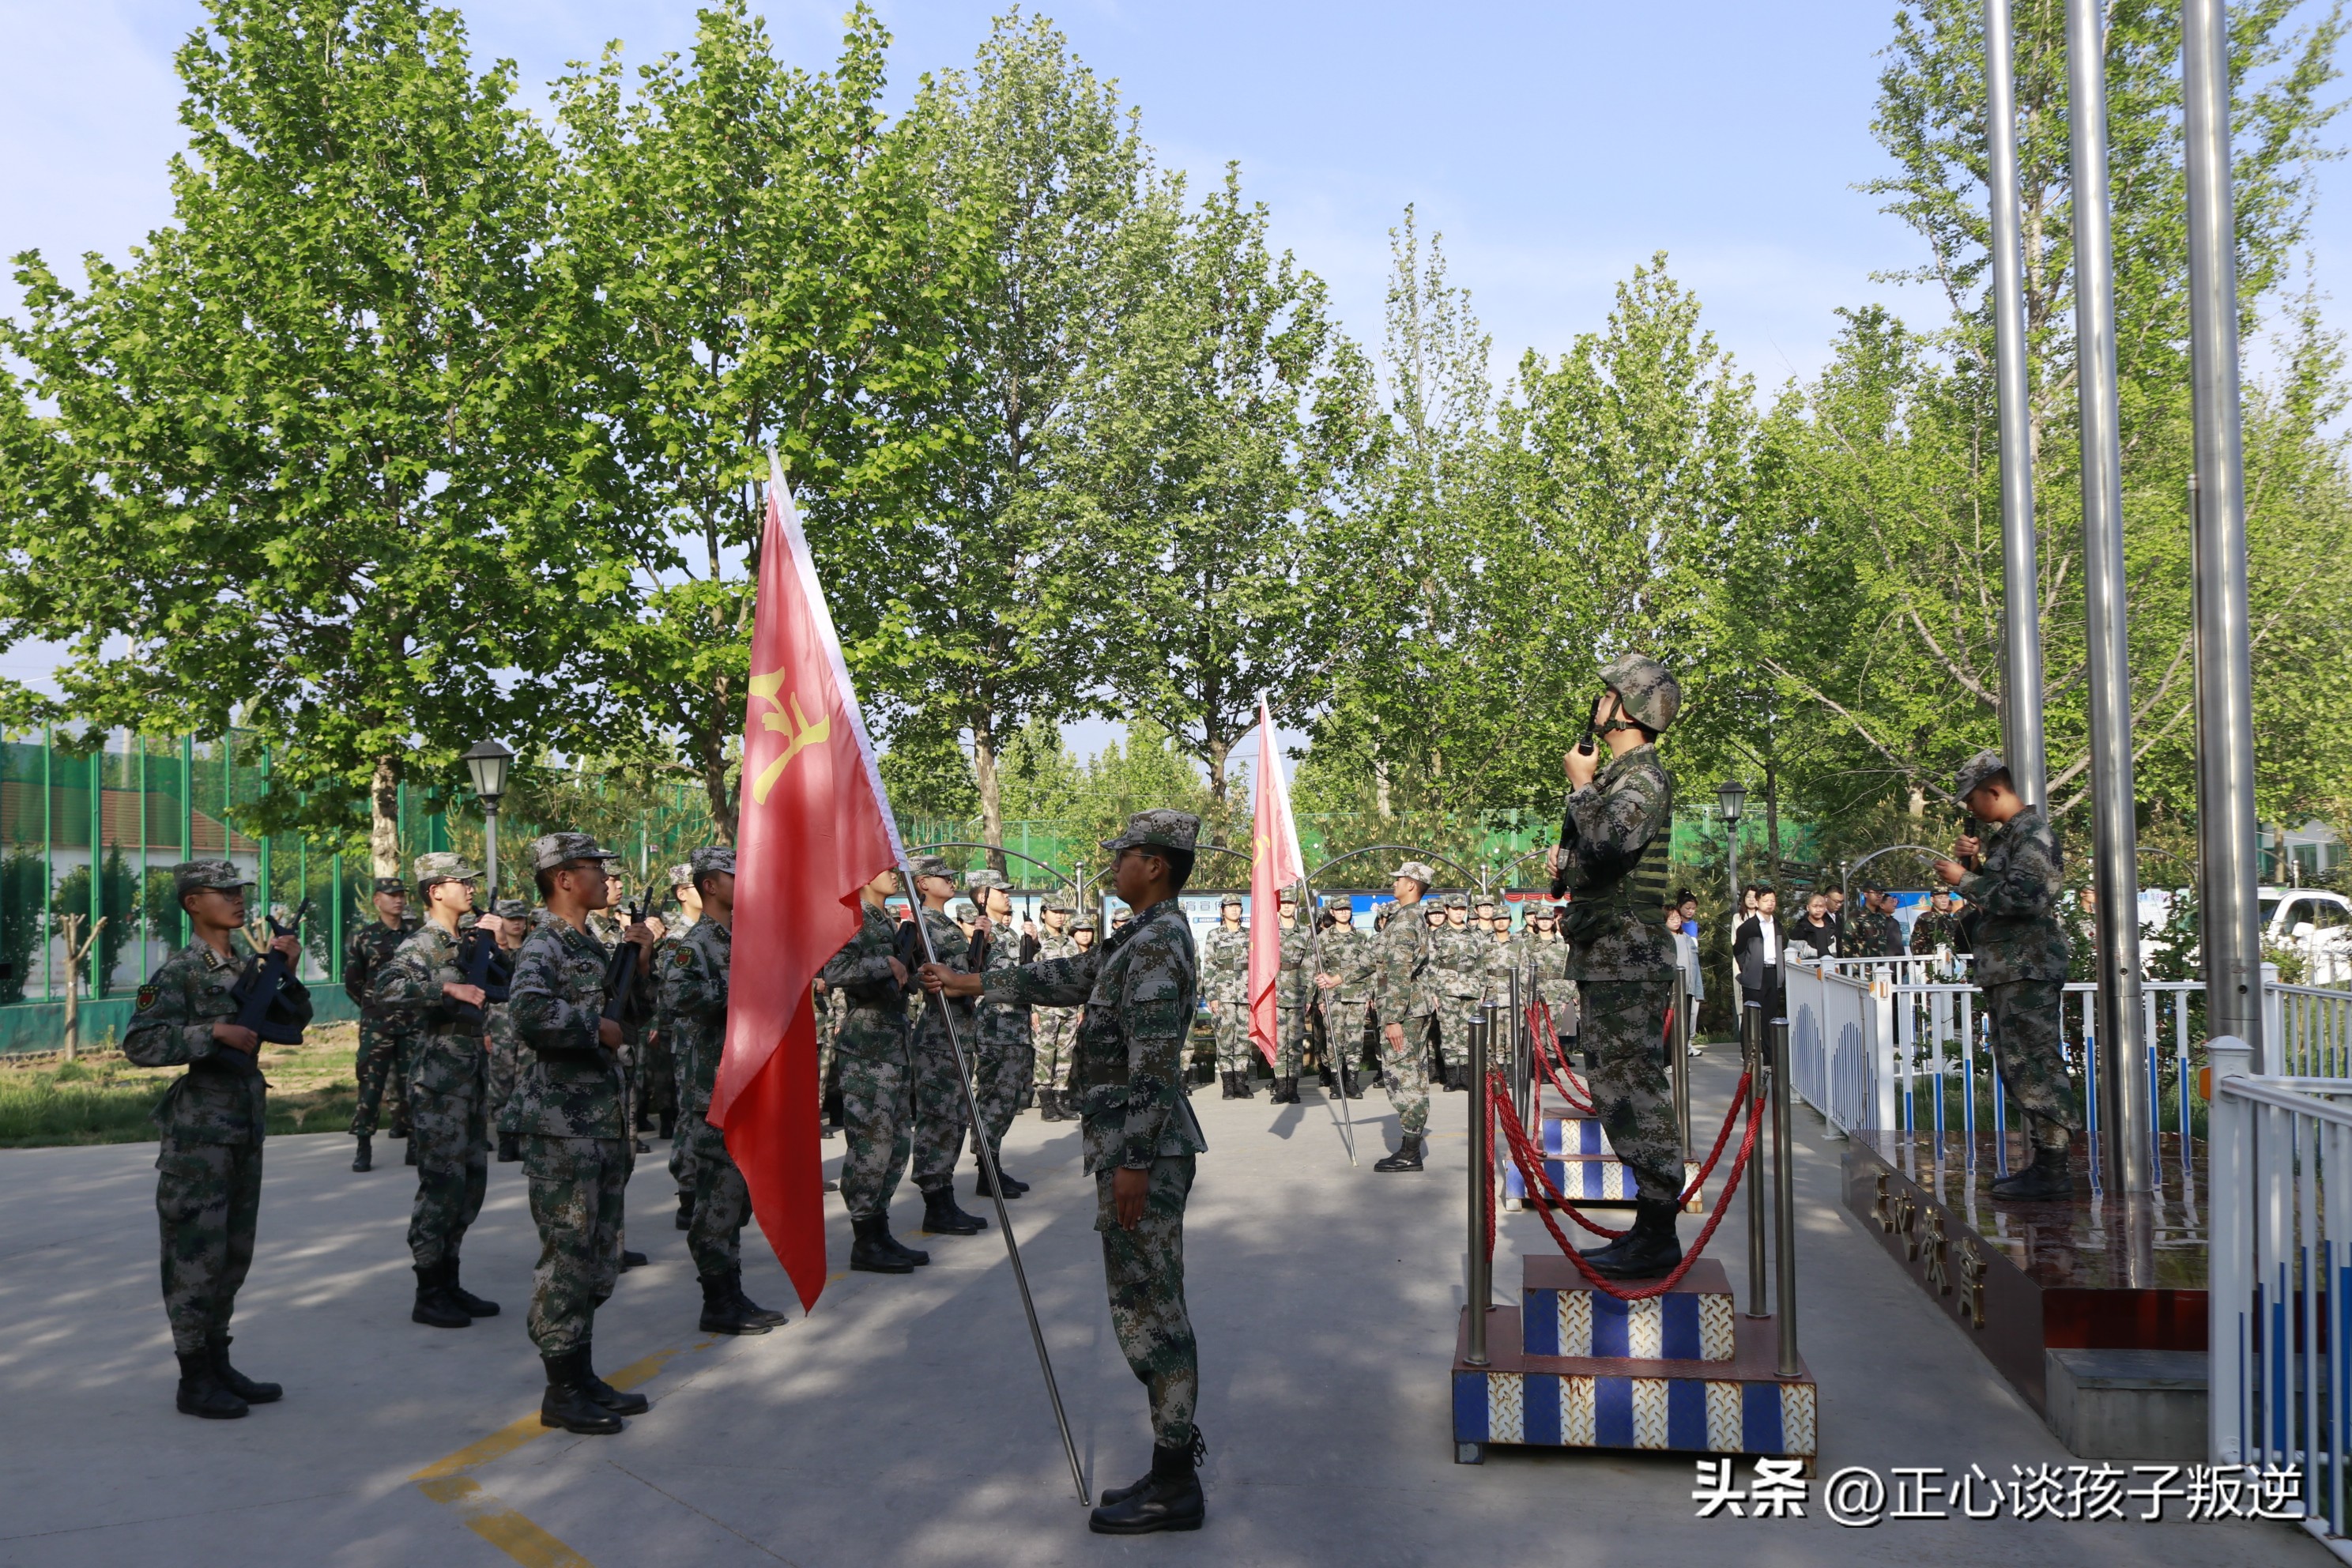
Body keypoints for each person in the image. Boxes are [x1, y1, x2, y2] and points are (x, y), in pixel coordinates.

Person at [922, 810, 1210, 1536]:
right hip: (1127, 1144)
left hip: (1140, 1149)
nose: (1114, 866)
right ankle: (1170, 1464)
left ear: (1156, 865)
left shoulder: (1158, 945)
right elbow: (1066, 976)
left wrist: (1133, 1166)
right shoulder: (1139, 937)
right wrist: (971, 980)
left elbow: (1152, 1065)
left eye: (1124, 857)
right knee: (1145, 1303)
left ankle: (1176, 1481)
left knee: (1154, 1311)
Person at [126, 860, 311, 1419]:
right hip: (198, 1135)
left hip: (243, 1125)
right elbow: (140, 1042)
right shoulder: (180, 971)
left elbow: (295, 1020)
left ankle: (218, 1359)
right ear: (192, 904)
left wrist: (288, 972)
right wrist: (214, 1033)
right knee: (194, 1257)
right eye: (222, 893)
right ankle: (193, 1378)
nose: (236, 900)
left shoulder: (247, 967)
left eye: (239, 892)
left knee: (233, 1254)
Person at [506, 833, 656, 1435]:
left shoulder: (591, 944)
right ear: (563, 877)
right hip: (563, 1127)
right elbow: (529, 1013)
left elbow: (631, 1019)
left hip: (600, 1121)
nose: (604, 877)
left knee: (596, 1256)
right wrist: (594, 1028)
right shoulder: (545, 941)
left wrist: (639, 965)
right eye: (594, 868)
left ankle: (581, 1373)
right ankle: (561, 1389)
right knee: (567, 1258)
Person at [1549, 653, 1684, 1279]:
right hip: (1609, 958)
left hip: (1626, 959)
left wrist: (1581, 787)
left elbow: (1611, 844)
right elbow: (1593, 859)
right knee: (1616, 1091)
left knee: (1635, 1092)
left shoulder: (1641, 779)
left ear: (1626, 711)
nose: (1597, 704)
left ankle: (1658, 1233)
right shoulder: (1619, 779)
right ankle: (1648, 1227)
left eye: (1607, 697)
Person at [1933, 752, 2078, 1200]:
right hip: (2009, 969)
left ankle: (2054, 1171)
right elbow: (2001, 895)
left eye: (1973, 799)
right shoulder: (2008, 837)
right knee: (2018, 1065)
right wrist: (1975, 868)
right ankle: (2045, 1164)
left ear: (1995, 790)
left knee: (2036, 1064)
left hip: (2027, 968)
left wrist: (1963, 880)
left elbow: (2025, 900)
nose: (1970, 810)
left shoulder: (2032, 834)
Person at [654, 846, 787, 1334]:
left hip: (747, 1082)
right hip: (714, 1086)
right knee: (716, 1195)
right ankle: (717, 1299)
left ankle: (731, 1291)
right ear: (710, 885)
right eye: (736, 874)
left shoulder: (741, 937)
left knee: (736, 1193)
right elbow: (679, 996)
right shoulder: (698, 942)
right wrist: (743, 992)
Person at [376, 852, 499, 1330]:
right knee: (441, 1186)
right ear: (435, 891)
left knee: (469, 1185)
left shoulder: (464, 941)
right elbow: (386, 990)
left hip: (469, 1077)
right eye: (460, 882)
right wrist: (445, 992)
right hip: (439, 1082)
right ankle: (429, 1290)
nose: (470, 889)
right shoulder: (421, 945)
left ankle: (449, 1280)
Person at [822, 867, 930, 1274]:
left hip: (895, 1043)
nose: (895, 874)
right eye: (885, 868)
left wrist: (918, 975)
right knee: (872, 1144)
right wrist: (885, 963)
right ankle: (865, 1237)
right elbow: (833, 970)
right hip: (867, 1045)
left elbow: (903, 976)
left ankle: (880, 1229)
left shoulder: (887, 919)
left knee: (897, 1142)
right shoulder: (852, 917)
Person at [906, 855, 990, 1238]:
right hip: (940, 1032)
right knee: (939, 1118)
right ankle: (935, 1201)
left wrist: (980, 941)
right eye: (941, 877)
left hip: (959, 1028)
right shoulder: (921, 925)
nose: (950, 881)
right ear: (922, 883)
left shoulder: (945, 924)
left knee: (955, 1117)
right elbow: (914, 974)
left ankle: (944, 1197)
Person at [965, 868, 1035, 1200]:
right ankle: (986, 1170)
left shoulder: (1005, 933)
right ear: (982, 898)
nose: (1008, 895)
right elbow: (971, 971)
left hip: (1015, 1025)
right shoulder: (981, 931)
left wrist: (1031, 946)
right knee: (994, 1099)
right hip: (997, 1026)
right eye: (1000, 891)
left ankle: (992, 1165)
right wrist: (979, 938)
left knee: (1006, 1101)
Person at [1370, 861, 1440, 1171]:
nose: (1395, 882)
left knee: (1405, 1078)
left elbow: (1399, 973)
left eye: (1399, 878)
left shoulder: (1405, 921)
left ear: (1412, 884)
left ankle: (1410, 1153)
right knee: (1413, 1074)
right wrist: (1338, 978)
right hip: (1414, 1007)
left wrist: (1393, 1018)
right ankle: (1410, 1147)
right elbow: (1374, 956)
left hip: (1405, 1010)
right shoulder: (1406, 918)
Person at [345, 876, 418, 1172]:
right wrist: (375, 1007)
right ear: (377, 900)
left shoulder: (416, 936)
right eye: (391, 895)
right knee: (371, 1086)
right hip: (377, 1025)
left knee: (413, 1084)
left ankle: (415, 1144)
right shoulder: (365, 937)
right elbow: (354, 983)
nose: (398, 900)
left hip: (411, 1023)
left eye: (401, 895)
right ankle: (363, 1146)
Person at [650, 864, 703, 1228]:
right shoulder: (676, 938)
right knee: (691, 1114)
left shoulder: (717, 931)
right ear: (682, 892)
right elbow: (674, 994)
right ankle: (688, 1191)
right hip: (690, 1038)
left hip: (716, 1038)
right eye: (697, 884)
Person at [484, 899, 531, 1163]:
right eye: (510, 918)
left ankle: (522, 1135)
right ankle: (505, 1137)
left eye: (520, 918)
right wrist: (484, 1031)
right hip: (499, 1025)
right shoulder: (490, 951)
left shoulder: (532, 949)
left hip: (525, 1026)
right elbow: (482, 991)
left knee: (525, 1081)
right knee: (501, 1083)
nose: (516, 923)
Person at [1312, 897, 1371, 1100]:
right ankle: (1337, 1083)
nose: (1344, 912)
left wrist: (1368, 996)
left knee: (1355, 1040)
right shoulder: (1324, 938)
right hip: (1333, 997)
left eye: (1347, 909)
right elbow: (1318, 971)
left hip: (1357, 995)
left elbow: (1369, 968)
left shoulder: (1361, 938)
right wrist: (1320, 998)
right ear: (1332, 912)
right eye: (1340, 909)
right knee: (1334, 1041)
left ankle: (1352, 1083)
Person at [1031, 899, 1083, 1121]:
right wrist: (1033, 1008)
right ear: (1043, 914)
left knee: (1065, 1055)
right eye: (1055, 912)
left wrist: (1080, 1006)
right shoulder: (1037, 941)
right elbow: (1031, 975)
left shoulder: (1071, 942)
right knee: (1044, 1054)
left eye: (1062, 912)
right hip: (1045, 1008)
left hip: (1070, 1007)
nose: (1060, 916)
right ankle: (1046, 1104)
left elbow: (1078, 974)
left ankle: (1061, 1101)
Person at [1200, 894, 1252, 1099]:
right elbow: (1210, 967)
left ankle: (1241, 1083)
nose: (1234, 909)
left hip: (1246, 994)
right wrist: (1212, 995)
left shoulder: (1250, 935)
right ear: (1222, 910)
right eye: (1230, 906)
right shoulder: (1214, 935)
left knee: (1243, 1040)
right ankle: (1227, 1086)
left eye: (1238, 906)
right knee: (1224, 1039)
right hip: (1224, 995)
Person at [1434, 895, 1483, 1091]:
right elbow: (1430, 964)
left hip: (1470, 989)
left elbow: (1481, 964)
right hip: (1446, 989)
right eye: (1455, 908)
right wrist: (1432, 991)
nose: (1459, 911)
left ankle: (1465, 1075)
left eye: (1462, 908)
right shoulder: (1437, 936)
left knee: (1466, 1034)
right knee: (1448, 1034)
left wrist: (1482, 989)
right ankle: (1451, 1077)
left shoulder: (1474, 935)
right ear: (1447, 910)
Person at [1733, 887, 1785, 1027]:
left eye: (1773, 900)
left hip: (1774, 973)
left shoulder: (1778, 924)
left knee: (1770, 1017)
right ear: (1757, 902)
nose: (1770, 903)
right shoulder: (1747, 927)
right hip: (1754, 975)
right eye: (1766, 900)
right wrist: (1747, 969)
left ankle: (1768, 1050)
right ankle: (1749, 1049)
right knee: (1751, 1017)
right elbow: (1738, 951)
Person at [1670, 891, 1706, 1055]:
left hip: (1691, 977)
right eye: (1687, 908)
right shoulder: (1671, 934)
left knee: (1692, 1012)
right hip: (1676, 982)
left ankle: (1688, 1043)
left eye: (1693, 908)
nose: (1690, 911)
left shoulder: (1692, 929)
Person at [1909, 887, 1966, 959]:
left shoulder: (1950, 919)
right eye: (1940, 897)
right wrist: (1921, 960)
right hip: (1931, 961)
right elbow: (1915, 941)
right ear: (1932, 899)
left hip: (1949, 961)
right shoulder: (1925, 918)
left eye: (1946, 897)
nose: (1944, 900)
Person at [1852, 884, 1906, 959]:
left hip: (1888, 964)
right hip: (1865, 966)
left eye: (1881, 893)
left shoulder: (1883, 918)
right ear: (1866, 894)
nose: (1879, 896)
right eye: (1876, 893)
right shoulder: (1856, 916)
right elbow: (1848, 944)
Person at [1788, 891, 1841, 962]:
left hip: (1829, 969)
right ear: (1808, 908)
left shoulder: (1831, 929)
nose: (1818, 910)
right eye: (1815, 906)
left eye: (1821, 906)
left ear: (1825, 908)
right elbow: (1791, 956)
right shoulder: (1800, 930)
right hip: (1808, 970)